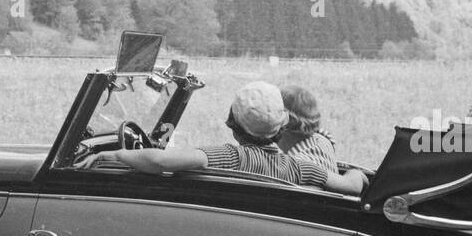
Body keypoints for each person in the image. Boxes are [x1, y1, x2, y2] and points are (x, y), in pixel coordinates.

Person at [117, 80, 367, 195]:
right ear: (282, 127)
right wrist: (355, 171)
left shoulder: (228, 156)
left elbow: (160, 161)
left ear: (234, 125)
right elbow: (354, 185)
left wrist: (117, 154)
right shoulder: (301, 168)